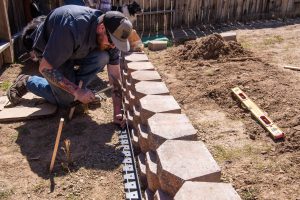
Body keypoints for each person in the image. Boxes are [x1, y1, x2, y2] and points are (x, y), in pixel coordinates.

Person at [7, 5, 133, 127]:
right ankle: (28, 82)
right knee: (67, 100)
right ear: (101, 28)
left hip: (77, 50)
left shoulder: (112, 35)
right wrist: (77, 92)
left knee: (103, 57)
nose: (113, 46)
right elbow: (45, 68)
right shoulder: (71, 27)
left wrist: (117, 111)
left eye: (117, 44)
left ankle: (71, 94)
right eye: (111, 42)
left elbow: (115, 75)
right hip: (53, 53)